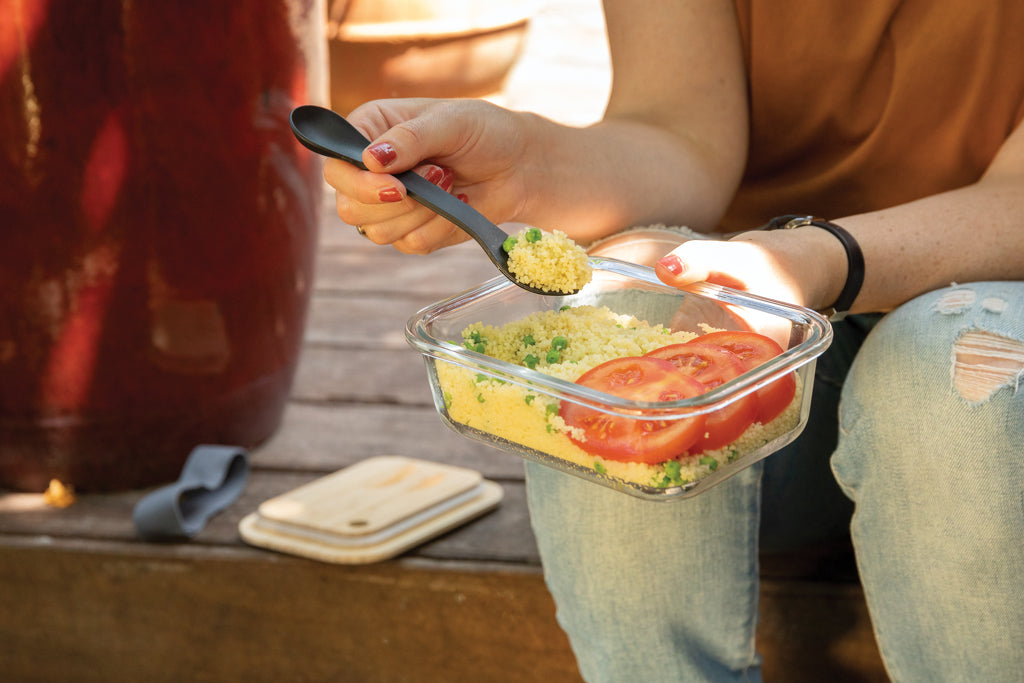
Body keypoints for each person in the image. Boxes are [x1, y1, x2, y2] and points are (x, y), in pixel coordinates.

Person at [323, 1, 1024, 680]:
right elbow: (681, 129)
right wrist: (522, 168)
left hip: (975, 332)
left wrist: (812, 261)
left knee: (952, 371)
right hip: (771, 361)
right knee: (622, 343)